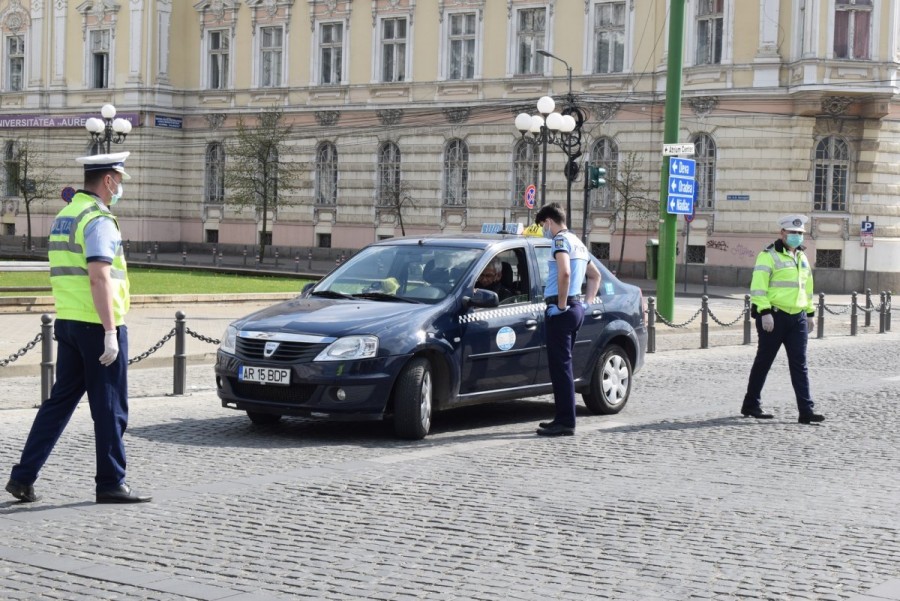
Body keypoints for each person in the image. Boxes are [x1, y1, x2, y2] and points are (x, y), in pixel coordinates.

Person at [5, 151, 152, 504]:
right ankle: (111, 483)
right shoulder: (98, 219)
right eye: (119, 180)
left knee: (58, 404)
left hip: (68, 322)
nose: (119, 187)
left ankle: (23, 477)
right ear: (107, 181)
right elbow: (99, 277)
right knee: (111, 407)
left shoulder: (65, 215)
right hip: (96, 325)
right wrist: (110, 332)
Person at [741, 214, 824, 425]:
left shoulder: (802, 257)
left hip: (797, 318)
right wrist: (765, 311)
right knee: (764, 362)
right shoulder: (767, 256)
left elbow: (807, 288)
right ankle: (751, 404)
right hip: (774, 317)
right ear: (782, 233)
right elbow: (758, 287)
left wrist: (810, 314)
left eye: (800, 233)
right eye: (793, 233)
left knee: (800, 365)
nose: (797, 236)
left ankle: (806, 411)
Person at [534, 203, 601, 437]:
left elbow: (564, 272)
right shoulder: (578, 243)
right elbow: (596, 275)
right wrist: (587, 303)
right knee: (564, 366)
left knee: (560, 368)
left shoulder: (560, 241)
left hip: (562, 310)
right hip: (576, 307)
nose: (544, 230)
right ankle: (562, 417)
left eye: (543, 225)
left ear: (549, 222)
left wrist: (561, 306)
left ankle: (565, 421)